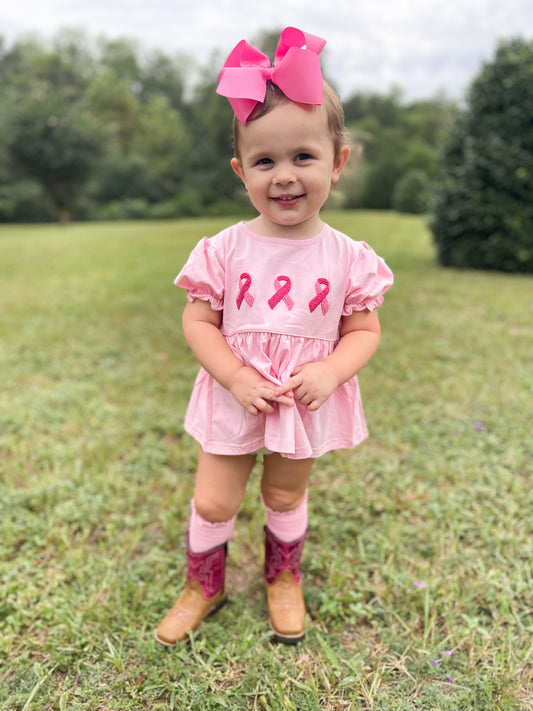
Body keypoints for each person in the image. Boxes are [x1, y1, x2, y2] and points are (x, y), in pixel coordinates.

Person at [155, 26, 393, 647]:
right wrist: (234, 376)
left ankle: (282, 577)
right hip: (235, 393)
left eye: (303, 157)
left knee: (285, 493)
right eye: (265, 161)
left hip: (302, 397)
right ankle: (202, 584)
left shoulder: (348, 257)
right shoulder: (225, 249)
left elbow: (364, 330)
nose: (284, 176)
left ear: (337, 163)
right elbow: (198, 321)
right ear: (242, 171)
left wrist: (333, 371)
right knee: (213, 500)